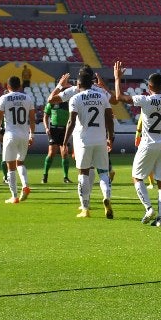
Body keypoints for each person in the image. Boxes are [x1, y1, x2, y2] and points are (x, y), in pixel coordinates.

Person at [113, 62, 161, 227]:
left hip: (148, 143)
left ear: (149, 86)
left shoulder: (145, 100)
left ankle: (149, 208)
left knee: (137, 177)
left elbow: (119, 97)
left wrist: (117, 79)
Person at [62, 71, 115, 218]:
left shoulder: (75, 98)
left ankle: (85, 208)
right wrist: (111, 137)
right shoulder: (102, 96)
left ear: (78, 84)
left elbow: (71, 122)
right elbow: (109, 118)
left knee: (83, 173)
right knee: (103, 172)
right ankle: (107, 197)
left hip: (84, 141)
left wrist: (64, 143)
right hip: (100, 140)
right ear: (92, 84)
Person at [0, 76, 36, 204]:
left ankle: (14, 196)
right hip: (24, 134)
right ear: (20, 86)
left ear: (8, 86)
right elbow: (32, 119)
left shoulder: (4, 98)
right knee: (20, 162)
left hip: (10, 134)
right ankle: (25, 185)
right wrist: (32, 135)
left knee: (10, 167)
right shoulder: (27, 98)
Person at [42, 99, 73, 184]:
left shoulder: (68, 104)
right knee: (52, 153)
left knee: (65, 152)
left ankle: (65, 177)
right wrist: (46, 127)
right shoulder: (52, 103)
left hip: (64, 130)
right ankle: (45, 176)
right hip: (54, 130)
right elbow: (45, 116)